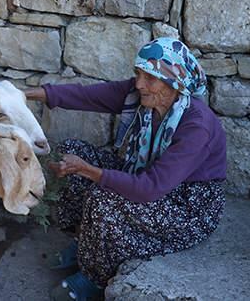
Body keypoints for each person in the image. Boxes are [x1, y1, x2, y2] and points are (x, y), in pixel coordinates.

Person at [24, 37, 226, 301]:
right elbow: (87, 96)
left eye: (150, 78)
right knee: (70, 150)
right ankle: (85, 242)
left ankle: (93, 278)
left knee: (103, 200)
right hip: (145, 175)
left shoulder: (196, 126)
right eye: (138, 74)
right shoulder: (138, 96)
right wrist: (23, 95)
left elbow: (151, 188)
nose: (140, 83)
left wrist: (89, 171)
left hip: (187, 204)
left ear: (174, 82)